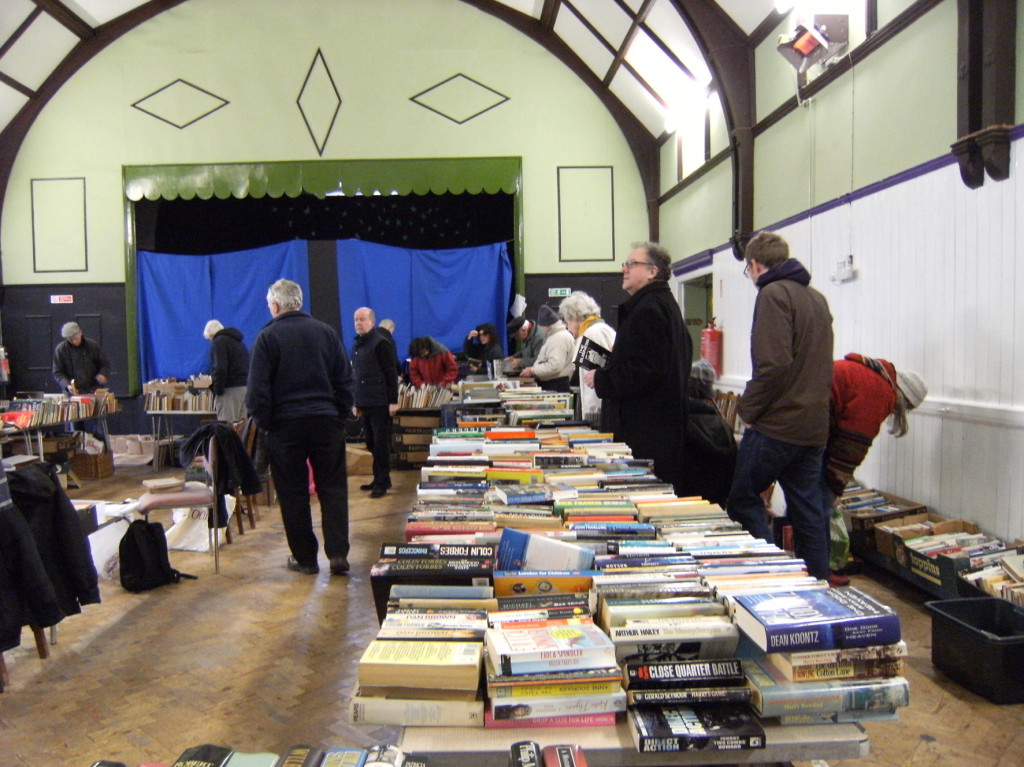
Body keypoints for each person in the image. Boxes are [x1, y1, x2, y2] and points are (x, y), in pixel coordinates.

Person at [726, 231, 834, 581]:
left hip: (778, 427)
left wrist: (747, 412)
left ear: (755, 265)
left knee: (743, 498)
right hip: (814, 427)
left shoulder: (773, 295)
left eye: (748, 270)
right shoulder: (816, 299)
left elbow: (773, 365)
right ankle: (816, 584)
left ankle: (771, 576)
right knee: (809, 511)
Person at [245, 279, 354, 576]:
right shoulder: (327, 333)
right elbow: (345, 381)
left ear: (276, 305)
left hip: (285, 426)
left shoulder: (267, 338)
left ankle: (306, 559)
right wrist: (339, 415)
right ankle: (338, 555)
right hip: (326, 421)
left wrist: (268, 425)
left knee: (293, 493)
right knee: (333, 488)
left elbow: (256, 393)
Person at [583, 242, 691, 493]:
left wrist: (601, 379)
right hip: (658, 430)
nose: (625, 269)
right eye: (625, 264)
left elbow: (645, 372)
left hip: (645, 433)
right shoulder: (662, 305)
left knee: (641, 495)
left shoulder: (648, 309)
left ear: (653, 272)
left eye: (632, 264)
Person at [820, 354, 927, 584]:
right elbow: (851, 447)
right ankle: (821, 572)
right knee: (821, 506)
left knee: (811, 502)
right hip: (809, 426)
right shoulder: (879, 392)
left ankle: (816, 569)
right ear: (903, 399)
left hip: (808, 420)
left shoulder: (872, 376)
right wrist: (836, 487)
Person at [353, 307, 399, 498]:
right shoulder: (357, 346)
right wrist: (356, 402)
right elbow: (357, 376)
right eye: (356, 320)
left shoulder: (380, 343)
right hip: (365, 401)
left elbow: (391, 373)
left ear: (372, 321)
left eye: (362, 319)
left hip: (381, 402)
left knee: (381, 444)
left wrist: (393, 401)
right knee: (371, 443)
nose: (358, 323)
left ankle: (382, 481)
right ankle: (380, 477)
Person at [680, 359, 737, 507]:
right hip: (715, 504)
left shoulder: (675, 424)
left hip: (681, 502)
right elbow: (732, 475)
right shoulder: (724, 426)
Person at [557, 291, 616, 424]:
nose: (568, 328)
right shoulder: (604, 329)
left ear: (575, 316)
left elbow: (595, 383)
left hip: (599, 414)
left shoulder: (590, 334)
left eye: (567, 321)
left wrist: (591, 418)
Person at [202, 319, 250, 422]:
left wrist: (218, 389)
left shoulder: (219, 342)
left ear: (211, 335)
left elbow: (220, 368)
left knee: (227, 429)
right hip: (245, 389)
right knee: (241, 430)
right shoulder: (239, 343)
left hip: (229, 391)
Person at [520, 305, 575, 392]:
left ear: (548, 326)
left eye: (542, 326)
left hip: (555, 385)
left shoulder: (558, 338)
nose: (541, 329)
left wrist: (533, 370)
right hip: (555, 383)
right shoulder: (554, 336)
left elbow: (554, 366)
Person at [52, 322, 110, 394]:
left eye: (76, 338)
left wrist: (103, 374)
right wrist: (66, 385)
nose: (74, 341)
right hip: (72, 393)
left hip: (93, 390)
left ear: (80, 333)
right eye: (71, 339)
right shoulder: (61, 350)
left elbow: (104, 364)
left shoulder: (93, 346)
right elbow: (58, 372)